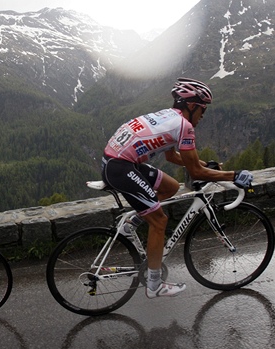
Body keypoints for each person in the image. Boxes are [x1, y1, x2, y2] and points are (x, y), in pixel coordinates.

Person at [102, 78, 253, 299]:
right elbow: (196, 174)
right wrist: (235, 175)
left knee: (170, 187)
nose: (203, 115)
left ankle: (131, 223)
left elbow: (173, 156)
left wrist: (202, 164)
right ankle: (154, 285)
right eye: (203, 110)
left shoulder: (169, 116)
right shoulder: (185, 126)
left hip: (118, 162)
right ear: (191, 106)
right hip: (121, 168)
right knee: (159, 221)